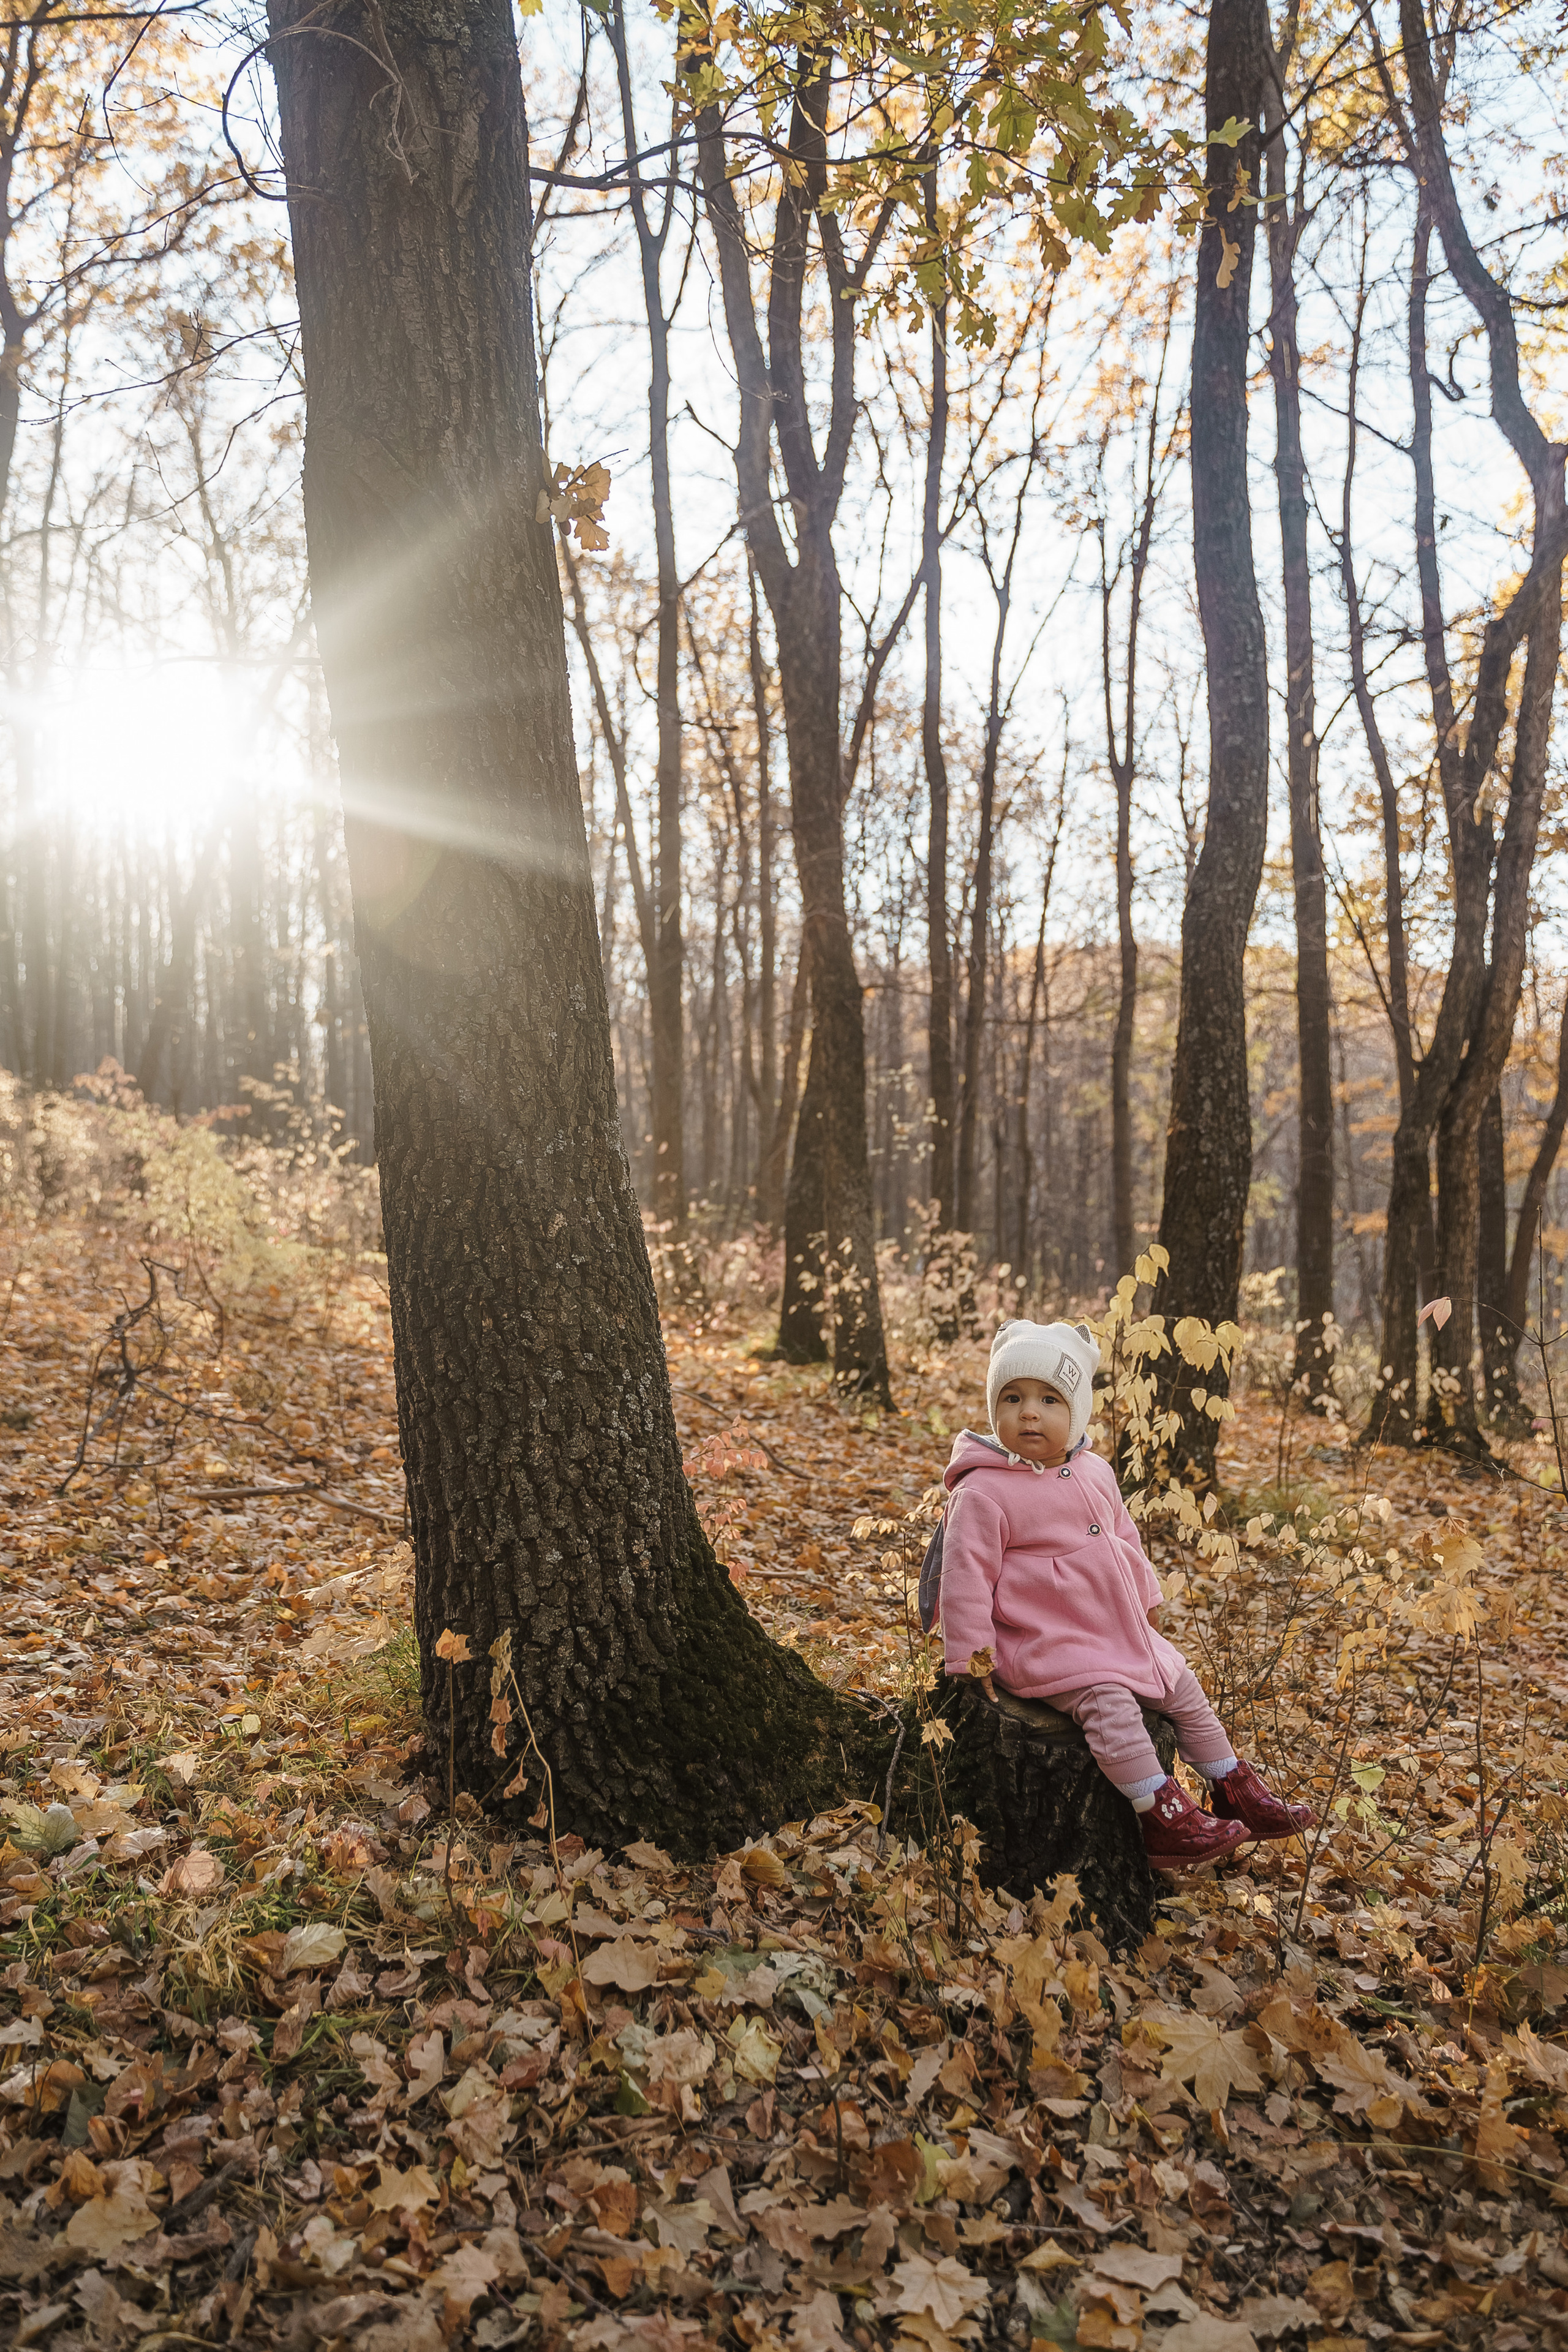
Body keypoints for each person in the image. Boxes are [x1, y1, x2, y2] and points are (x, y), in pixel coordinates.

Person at [936, 1318, 1314, 1870]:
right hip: (1048, 1642)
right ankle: (1159, 1812)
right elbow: (965, 1576)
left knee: (1183, 1688)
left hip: (1115, 1626)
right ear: (995, 1409)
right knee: (1110, 1706)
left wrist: (1148, 1601)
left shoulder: (1094, 1471)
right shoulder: (984, 1491)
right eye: (1012, 1398)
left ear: (1078, 1412)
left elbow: (1125, 1540)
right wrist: (972, 1656)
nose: (1029, 1413)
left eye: (1049, 1399)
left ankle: (1233, 1786)